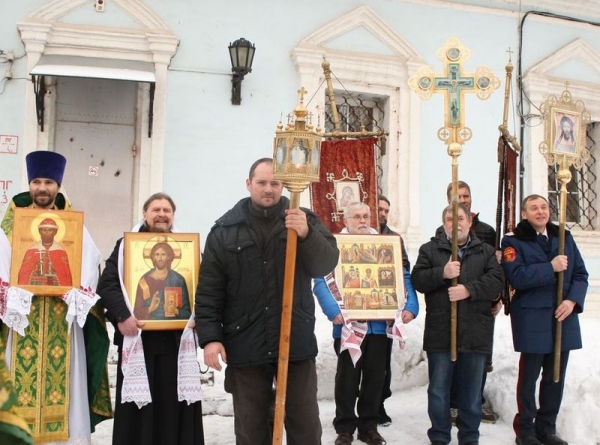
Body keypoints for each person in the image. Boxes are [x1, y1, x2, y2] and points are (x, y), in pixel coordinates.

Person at [194, 158, 339, 445]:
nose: (268, 189)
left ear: (283, 185)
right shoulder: (225, 230)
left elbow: (326, 264)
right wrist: (211, 338)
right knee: (251, 429)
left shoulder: (302, 219)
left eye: (274, 183)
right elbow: (210, 290)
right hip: (245, 340)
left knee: (305, 427)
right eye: (261, 183)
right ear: (249, 184)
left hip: (293, 339)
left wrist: (306, 235)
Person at [0, 150, 111, 443]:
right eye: (36, 181)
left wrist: (76, 292)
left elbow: (89, 266)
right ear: (29, 184)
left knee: (67, 385)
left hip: (63, 321)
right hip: (21, 321)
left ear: (58, 187)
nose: (42, 188)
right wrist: (11, 294)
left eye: (48, 182)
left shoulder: (74, 229)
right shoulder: (9, 228)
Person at [97, 192, 204, 445]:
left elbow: (203, 288)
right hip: (139, 343)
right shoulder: (126, 248)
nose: (161, 214)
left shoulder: (188, 254)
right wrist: (122, 316)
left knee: (173, 405)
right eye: (156, 209)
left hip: (176, 344)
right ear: (144, 214)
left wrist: (198, 315)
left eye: (167, 210)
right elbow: (108, 285)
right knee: (139, 408)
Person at [313, 202, 419, 445]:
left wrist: (411, 307)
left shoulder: (384, 244)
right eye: (356, 216)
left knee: (375, 378)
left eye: (365, 216)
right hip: (349, 326)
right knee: (347, 379)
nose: (362, 220)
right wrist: (333, 312)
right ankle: (345, 427)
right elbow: (321, 280)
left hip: (380, 326)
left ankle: (368, 426)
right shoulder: (335, 245)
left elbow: (402, 276)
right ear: (346, 219)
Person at [411, 203, 504, 445]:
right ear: (444, 224)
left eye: (460, 218)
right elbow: (418, 279)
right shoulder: (430, 250)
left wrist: (468, 290)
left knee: (471, 394)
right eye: (450, 219)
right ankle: (440, 437)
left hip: (475, 333)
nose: (456, 223)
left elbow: (496, 281)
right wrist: (442, 272)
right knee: (439, 391)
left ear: (469, 221)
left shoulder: (485, 251)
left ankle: (469, 438)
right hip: (441, 332)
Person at [501, 194, 588, 445]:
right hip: (532, 318)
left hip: (563, 315)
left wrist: (571, 301)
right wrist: (551, 267)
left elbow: (581, 274)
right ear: (524, 214)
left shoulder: (564, 238)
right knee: (529, 377)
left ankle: (547, 428)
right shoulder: (513, 242)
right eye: (534, 208)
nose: (540, 212)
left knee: (555, 376)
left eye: (544, 207)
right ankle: (525, 430)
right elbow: (516, 276)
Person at [435, 181, 501, 424]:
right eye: (457, 196)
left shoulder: (486, 231)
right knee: (454, 353)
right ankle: (453, 404)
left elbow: (496, 269)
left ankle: (476, 401)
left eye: (466, 195)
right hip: (453, 304)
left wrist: (497, 298)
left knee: (479, 356)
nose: (462, 200)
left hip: (480, 303)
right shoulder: (442, 232)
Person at [377, 195, 411, 427]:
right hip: (356, 314)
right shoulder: (352, 234)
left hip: (385, 310)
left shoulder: (394, 238)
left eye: (386, 210)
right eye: (379, 209)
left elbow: (404, 267)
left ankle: (378, 405)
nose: (383, 214)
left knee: (381, 365)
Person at [134, 242, 192, 320]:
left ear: (168, 257)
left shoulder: (178, 280)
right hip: (150, 329)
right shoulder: (144, 281)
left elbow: (188, 315)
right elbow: (136, 314)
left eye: (163, 254)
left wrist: (175, 310)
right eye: (157, 254)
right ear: (153, 257)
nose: (160, 258)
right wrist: (150, 308)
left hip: (173, 329)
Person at [17, 217, 72, 286]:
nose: (46, 232)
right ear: (39, 232)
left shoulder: (60, 251)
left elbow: (65, 275)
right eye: (44, 230)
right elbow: (24, 274)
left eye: (50, 230)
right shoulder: (32, 250)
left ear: (55, 232)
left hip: (55, 287)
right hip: (35, 285)